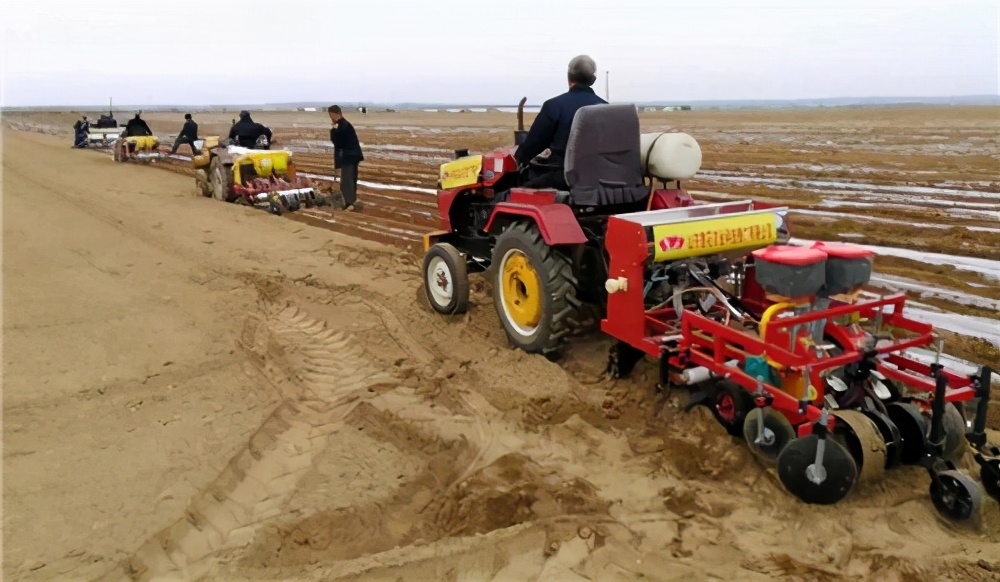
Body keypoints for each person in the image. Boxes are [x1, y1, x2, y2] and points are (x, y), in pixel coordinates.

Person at [510, 54, 608, 191]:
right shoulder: (607, 109)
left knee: (511, 189)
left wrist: (518, 157)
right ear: (593, 80)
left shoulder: (554, 106)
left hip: (563, 179)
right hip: (601, 179)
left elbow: (533, 146)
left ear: (569, 77)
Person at [328, 105, 365, 211]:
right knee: (350, 179)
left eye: (331, 115)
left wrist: (333, 130)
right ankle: (351, 201)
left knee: (347, 180)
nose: (330, 117)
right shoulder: (343, 124)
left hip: (349, 156)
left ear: (336, 114)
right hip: (352, 155)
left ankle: (349, 203)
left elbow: (337, 142)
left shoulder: (343, 125)